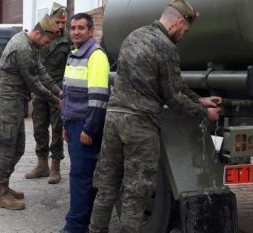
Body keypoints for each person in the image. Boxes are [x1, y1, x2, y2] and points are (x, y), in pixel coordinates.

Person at [88, 0, 222, 232]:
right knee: (136, 191)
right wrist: (204, 112)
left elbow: (171, 85)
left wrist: (199, 98)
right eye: (185, 30)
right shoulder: (166, 48)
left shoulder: (133, 36)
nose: (184, 36)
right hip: (140, 126)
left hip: (114, 120)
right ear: (179, 22)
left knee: (107, 187)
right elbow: (173, 97)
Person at [0, 14, 62, 210]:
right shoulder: (22, 47)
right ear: (38, 33)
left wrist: (59, 91)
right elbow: (34, 83)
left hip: (15, 101)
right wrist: (56, 101)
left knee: (18, 147)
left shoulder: (31, 44)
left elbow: (41, 72)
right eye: (46, 41)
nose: (46, 45)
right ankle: (1, 193)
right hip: (8, 101)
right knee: (6, 147)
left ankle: (2, 185)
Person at [59, 13, 110, 233]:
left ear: (90, 31)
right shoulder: (74, 54)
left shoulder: (96, 56)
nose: (76, 32)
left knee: (81, 176)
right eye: (73, 28)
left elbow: (99, 97)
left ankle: (76, 226)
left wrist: (89, 128)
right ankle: (81, 221)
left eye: (81, 28)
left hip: (85, 127)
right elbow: (68, 93)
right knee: (81, 175)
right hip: (73, 124)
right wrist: (64, 124)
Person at [26, 2, 70, 184]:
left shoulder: (68, 40)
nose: (60, 26)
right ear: (50, 20)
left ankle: (55, 167)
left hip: (58, 89)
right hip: (39, 89)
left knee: (57, 128)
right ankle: (42, 164)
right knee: (39, 127)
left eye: (63, 22)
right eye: (57, 22)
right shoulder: (42, 34)